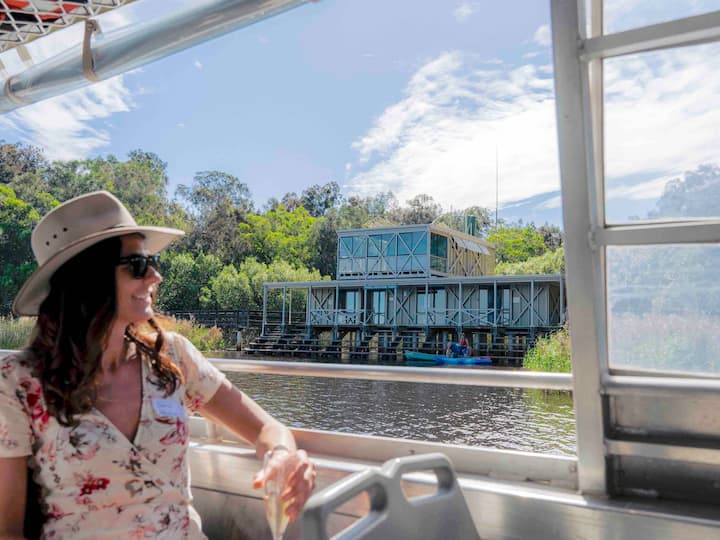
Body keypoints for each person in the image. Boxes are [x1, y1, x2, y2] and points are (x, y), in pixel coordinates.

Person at [0, 191, 316, 539]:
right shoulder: (18, 382)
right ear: (87, 277)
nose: (155, 277)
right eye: (138, 265)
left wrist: (282, 455)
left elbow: (267, 429)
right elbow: (8, 531)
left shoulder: (173, 357)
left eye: (154, 262)